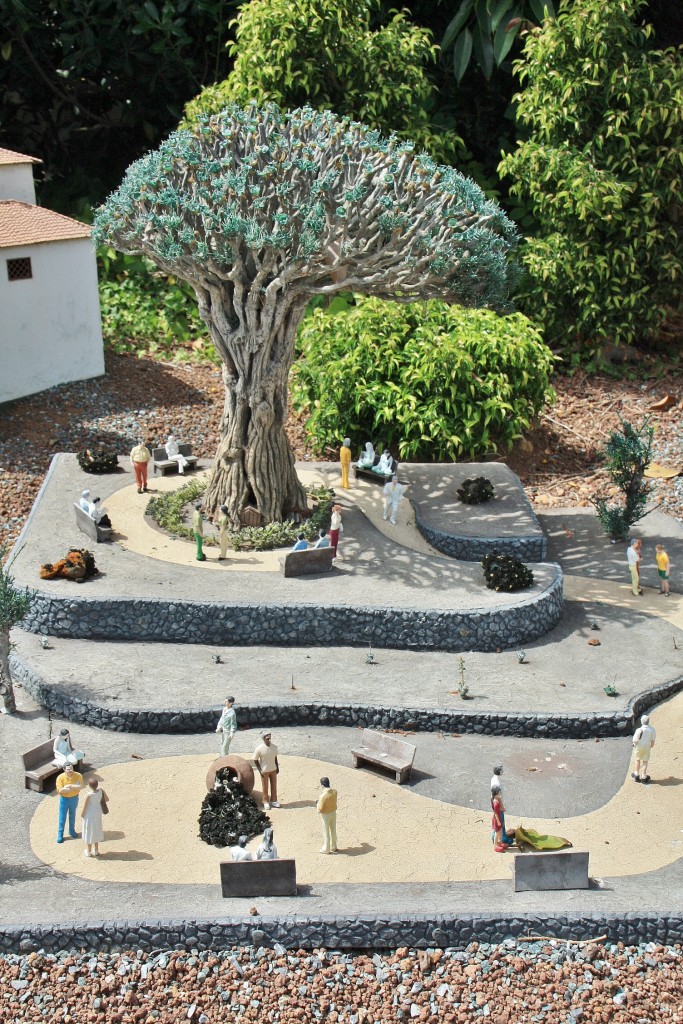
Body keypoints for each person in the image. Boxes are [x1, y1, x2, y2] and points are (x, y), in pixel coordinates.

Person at [56, 763, 83, 844]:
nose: (70, 770)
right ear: (64, 770)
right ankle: (60, 834)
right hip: (64, 800)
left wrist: (70, 786)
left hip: (74, 798)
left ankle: (72, 830)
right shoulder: (60, 777)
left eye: (71, 768)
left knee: (72, 814)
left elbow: (81, 786)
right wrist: (66, 789)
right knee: (62, 817)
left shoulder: (78, 775)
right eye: (68, 769)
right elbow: (59, 790)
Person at [81, 777, 108, 858]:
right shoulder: (101, 791)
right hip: (97, 812)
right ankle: (96, 850)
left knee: (89, 831)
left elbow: (84, 807)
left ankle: (88, 851)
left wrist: (82, 815)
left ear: (89, 785)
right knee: (97, 829)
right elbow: (107, 799)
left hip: (89, 814)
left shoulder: (88, 795)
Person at [253, 731, 280, 810]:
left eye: (269, 738)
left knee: (274, 785)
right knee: (265, 787)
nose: (269, 739)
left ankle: (274, 800)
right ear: (263, 739)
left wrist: (277, 767)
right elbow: (255, 759)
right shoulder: (259, 749)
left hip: (273, 769)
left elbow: (275, 757)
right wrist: (259, 770)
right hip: (264, 770)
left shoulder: (274, 747)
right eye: (267, 738)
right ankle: (265, 801)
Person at [632, 713, 656, 783]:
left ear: (641, 722)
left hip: (639, 747)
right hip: (647, 747)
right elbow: (652, 741)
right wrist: (651, 746)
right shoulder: (652, 729)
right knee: (645, 761)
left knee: (637, 760)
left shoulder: (639, 730)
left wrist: (634, 744)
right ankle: (644, 776)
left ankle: (636, 774)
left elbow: (634, 740)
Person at [317, 776, 338, 854]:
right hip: (333, 813)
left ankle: (326, 848)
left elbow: (320, 809)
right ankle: (334, 846)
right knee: (333, 829)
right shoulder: (335, 792)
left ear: (322, 785)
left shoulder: (322, 796)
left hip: (326, 815)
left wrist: (317, 803)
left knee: (326, 831)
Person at [491, 784, 514, 852]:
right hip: (497, 819)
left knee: (500, 832)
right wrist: (498, 821)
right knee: (497, 832)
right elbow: (496, 813)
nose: (500, 793)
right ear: (496, 793)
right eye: (499, 792)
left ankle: (500, 842)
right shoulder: (495, 802)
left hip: (499, 818)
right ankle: (496, 845)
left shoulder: (497, 799)